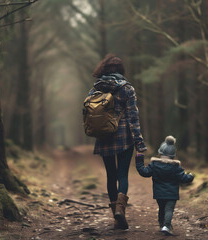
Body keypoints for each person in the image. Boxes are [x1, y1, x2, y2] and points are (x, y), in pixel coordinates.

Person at [90, 54, 147, 230]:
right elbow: (133, 117)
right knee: (122, 174)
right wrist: (139, 142)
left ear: (103, 69)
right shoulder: (127, 88)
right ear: (121, 70)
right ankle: (120, 212)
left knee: (110, 175)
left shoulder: (95, 88)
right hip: (124, 137)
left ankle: (115, 212)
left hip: (104, 136)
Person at [135, 136, 194, 235]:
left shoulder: (154, 164)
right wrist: (190, 176)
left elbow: (144, 172)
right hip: (172, 194)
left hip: (159, 194)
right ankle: (166, 226)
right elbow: (184, 178)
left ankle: (162, 225)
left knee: (162, 209)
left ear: (160, 153)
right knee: (169, 210)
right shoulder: (175, 167)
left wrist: (139, 160)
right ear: (173, 155)